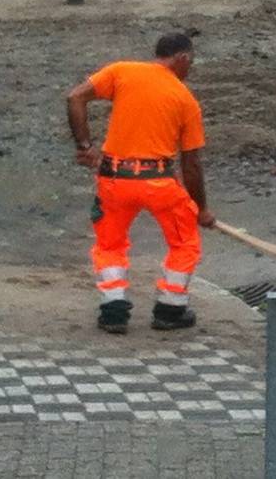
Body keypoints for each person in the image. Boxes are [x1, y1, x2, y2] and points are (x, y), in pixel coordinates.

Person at [67, 33, 216, 335]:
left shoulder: (122, 71)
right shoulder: (185, 99)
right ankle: (170, 309)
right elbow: (192, 164)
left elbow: (75, 97)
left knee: (109, 244)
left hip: (114, 180)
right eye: (191, 62)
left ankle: (113, 309)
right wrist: (200, 209)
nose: (190, 69)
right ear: (182, 58)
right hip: (159, 183)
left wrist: (85, 146)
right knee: (184, 242)